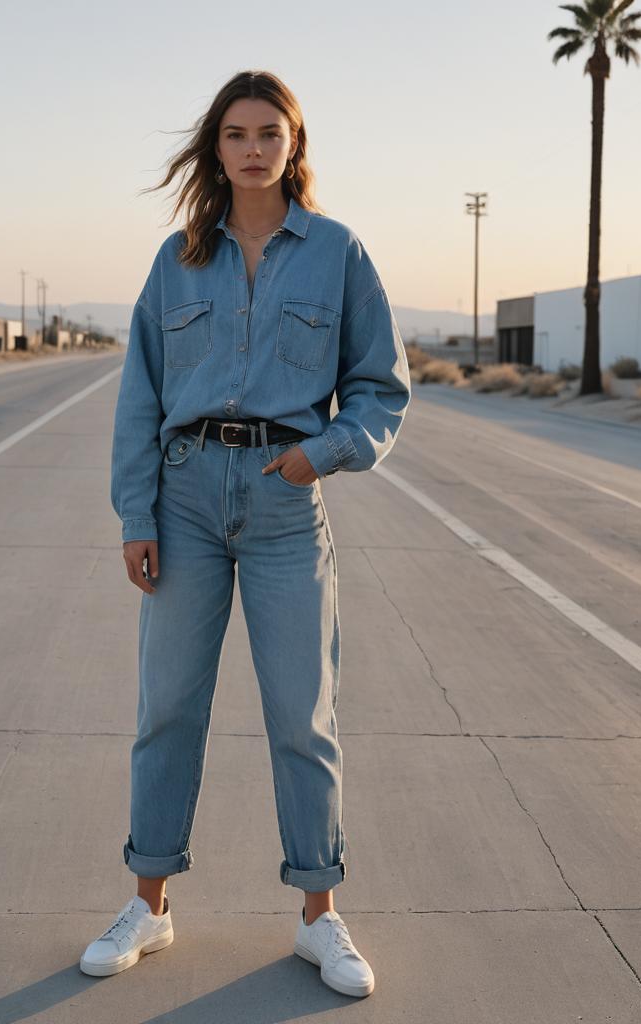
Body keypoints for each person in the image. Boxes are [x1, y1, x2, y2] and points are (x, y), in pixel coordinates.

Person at [81, 69, 411, 998]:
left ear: (294, 145)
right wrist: (136, 516)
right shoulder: (176, 257)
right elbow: (140, 396)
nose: (255, 147)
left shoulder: (339, 253)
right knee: (168, 709)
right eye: (237, 133)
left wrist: (326, 452)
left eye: (272, 132)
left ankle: (319, 917)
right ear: (215, 148)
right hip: (184, 499)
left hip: (281, 501)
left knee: (302, 715)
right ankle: (148, 904)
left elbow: (383, 388)